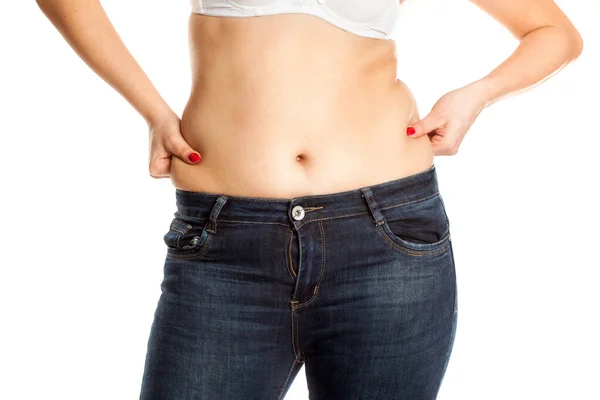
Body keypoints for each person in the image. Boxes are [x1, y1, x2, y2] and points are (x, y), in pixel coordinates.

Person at [36, 0, 583, 398]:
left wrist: (475, 96)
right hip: (226, 250)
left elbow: (554, 32)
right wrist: (153, 110)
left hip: (386, 240)